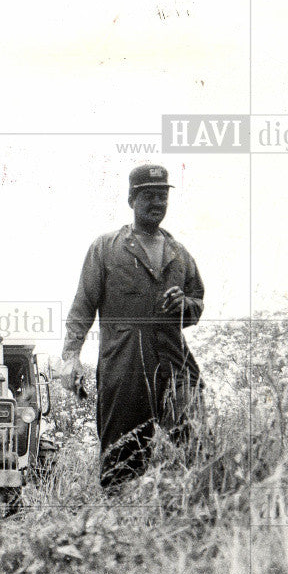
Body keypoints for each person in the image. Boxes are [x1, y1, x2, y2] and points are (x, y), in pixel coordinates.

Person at [60, 164, 205, 490]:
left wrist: (186, 304)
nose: (157, 203)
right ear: (131, 199)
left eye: (162, 196)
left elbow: (197, 305)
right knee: (122, 453)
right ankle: (119, 524)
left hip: (173, 359)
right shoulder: (106, 247)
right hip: (123, 364)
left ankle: (182, 513)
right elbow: (83, 305)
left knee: (193, 441)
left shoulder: (179, 254)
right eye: (149, 196)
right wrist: (70, 356)